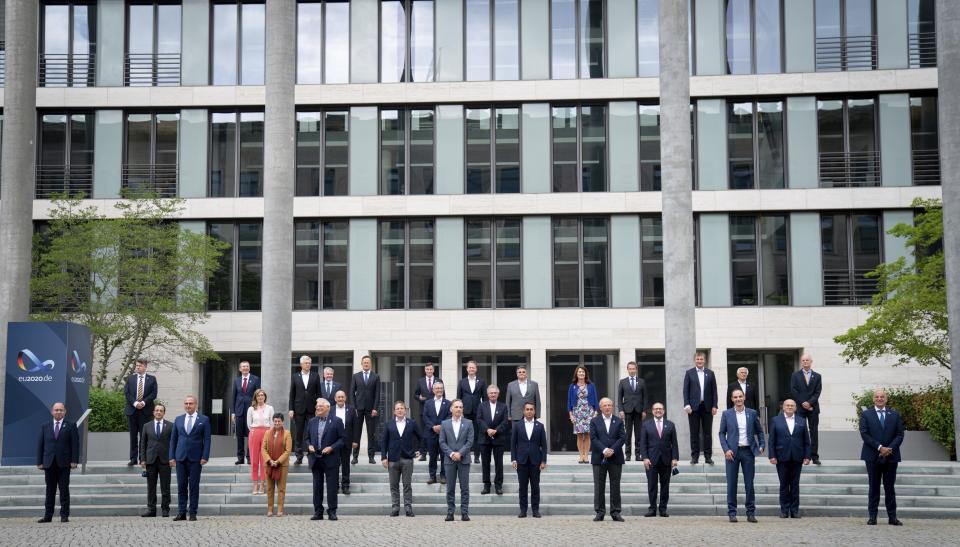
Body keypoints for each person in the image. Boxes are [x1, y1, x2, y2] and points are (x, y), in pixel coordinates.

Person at [718, 389, 765, 523]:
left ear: (744, 397)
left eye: (740, 396)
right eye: (735, 397)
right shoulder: (726, 414)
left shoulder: (752, 413)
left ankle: (750, 513)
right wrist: (726, 449)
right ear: (732, 399)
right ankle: (732, 513)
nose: (738, 399)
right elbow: (721, 433)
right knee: (731, 484)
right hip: (732, 453)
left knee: (749, 484)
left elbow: (760, 431)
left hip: (748, 452)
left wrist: (761, 445)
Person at [860, 388, 905, 526]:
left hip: (891, 456)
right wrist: (880, 447)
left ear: (886, 399)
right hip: (872, 456)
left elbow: (900, 434)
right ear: (873, 399)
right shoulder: (866, 414)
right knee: (873, 487)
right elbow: (864, 434)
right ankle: (872, 517)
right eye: (877, 397)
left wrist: (889, 448)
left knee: (889, 487)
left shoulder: (895, 414)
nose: (879, 399)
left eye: (882, 397)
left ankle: (892, 517)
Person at [169, 395, 211, 521]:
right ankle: (181, 512)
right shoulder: (178, 419)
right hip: (180, 457)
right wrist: (171, 456)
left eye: (190, 403)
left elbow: (207, 439)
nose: (188, 405)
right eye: (186, 403)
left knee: (193, 486)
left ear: (196, 405)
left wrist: (205, 456)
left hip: (196, 458)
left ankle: (193, 512)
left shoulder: (204, 419)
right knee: (181, 486)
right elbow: (173, 440)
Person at [36, 402, 79, 523]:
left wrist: (74, 460)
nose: (59, 412)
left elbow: (75, 445)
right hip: (49, 463)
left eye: (61, 410)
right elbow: (40, 444)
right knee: (50, 490)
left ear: (65, 412)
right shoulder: (45, 426)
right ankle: (48, 515)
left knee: (64, 490)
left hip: (64, 463)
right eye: (56, 410)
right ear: (52, 412)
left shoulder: (71, 426)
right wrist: (39, 461)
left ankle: (64, 515)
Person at [767, 399, 811, 518]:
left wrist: (807, 456)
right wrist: (772, 455)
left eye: (792, 405)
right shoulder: (775, 420)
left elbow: (806, 441)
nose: (790, 407)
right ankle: (784, 510)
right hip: (781, 457)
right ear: (783, 407)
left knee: (795, 484)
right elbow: (771, 440)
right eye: (788, 405)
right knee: (784, 484)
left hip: (797, 456)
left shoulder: (802, 420)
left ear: (795, 408)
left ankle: (795, 510)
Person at [382, 400, 422, 517]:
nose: (400, 410)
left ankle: (408, 508)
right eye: (397, 408)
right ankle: (395, 508)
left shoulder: (412, 423)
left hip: (407, 458)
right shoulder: (388, 424)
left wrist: (419, 450)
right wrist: (384, 457)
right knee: (393, 485)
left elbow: (421, 438)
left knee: (407, 485)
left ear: (406, 410)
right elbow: (384, 442)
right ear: (394, 411)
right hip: (393, 459)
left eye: (402, 408)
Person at [307, 398, 345, 521]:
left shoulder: (337, 421)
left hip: (330, 458)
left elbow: (342, 439)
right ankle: (318, 511)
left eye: (321, 406)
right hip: (315, 458)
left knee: (332, 486)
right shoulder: (312, 421)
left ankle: (332, 511)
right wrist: (309, 446)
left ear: (328, 407)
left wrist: (331, 448)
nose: (318, 408)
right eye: (317, 406)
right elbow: (306, 438)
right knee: (317, 487)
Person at [639, 402, 679, 517]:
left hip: (666, 460)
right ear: (652, 411)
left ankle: (663, 509)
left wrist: (675, 458)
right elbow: (643, 443)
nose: (658, 411)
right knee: (652, 485)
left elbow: (674, 443)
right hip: (651, 460)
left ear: (664, 411)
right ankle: (652, 509)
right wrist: (645, 458)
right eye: (656, 409)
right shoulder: (646, 425)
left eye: (660, 409)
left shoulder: (670, 425)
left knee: (665, 485)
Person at [589, 398, 625, 522]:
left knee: (615, 485)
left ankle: (615, 512)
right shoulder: (594, 421)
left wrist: (612, 450)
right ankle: (600, 512)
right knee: (599, 486)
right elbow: (593, 438)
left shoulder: (618, 421)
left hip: (615, 458)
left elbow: (622, 438)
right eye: (605, 405)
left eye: (610, 405)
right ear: (600, 407)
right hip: (599, 458)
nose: (608, 407)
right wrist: (604, 450)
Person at [511, 402, 548, 518]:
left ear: (534, 411)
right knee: (522, 487)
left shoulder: (540, 426)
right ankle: (523, 510)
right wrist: (513, 459)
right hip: (521, 460)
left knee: (535, 486)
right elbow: (513, 444)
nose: (529, 411)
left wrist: (543, 461)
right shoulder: (517, 425)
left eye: (531, 409)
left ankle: (535, 510)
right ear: (523, 411)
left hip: (535, 461)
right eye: (527, 409)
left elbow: (544, 445)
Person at [439, 399, 473, 521]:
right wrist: (452, 453)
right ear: (451, 409)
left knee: (465, 488)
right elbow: (442, 442)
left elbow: (470, 442)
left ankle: (464, 512)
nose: (459, 409)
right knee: (450, 488)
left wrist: (460, 453)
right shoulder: (445, 424)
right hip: (450, 460)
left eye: (461, 407)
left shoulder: (469, 423)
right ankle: (450, 512)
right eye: (456, 407)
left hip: (464, 460)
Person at [682, 351, 718, 465]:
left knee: (707, 433)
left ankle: (708, 457)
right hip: (693, 408)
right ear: (695, 360)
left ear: (705, 360)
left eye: (701, 359)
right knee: (694, 433)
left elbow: (714, 391)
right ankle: (695, 457)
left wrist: (715, 405)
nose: (699, 361)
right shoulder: (689, 373)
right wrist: (686, 405)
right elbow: (685, 390)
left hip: (707, 407)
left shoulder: (710, 373)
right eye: (697, 359)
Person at [139, 403, 173, 518]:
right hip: (151, 461)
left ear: (164, 413)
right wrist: (142, 459)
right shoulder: (147, 426)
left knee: (165, 487)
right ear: (153, 412)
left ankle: (165, 509)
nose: (158, 412)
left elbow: (173, 444)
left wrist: (172, 458)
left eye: (161, 411)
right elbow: (142, 443)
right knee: (151, 487)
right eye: (157, 410)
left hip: (165, 460)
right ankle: (151, 509)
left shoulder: (170, 426)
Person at [124, 358, 157, 466]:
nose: (138, 367)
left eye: (140, 365)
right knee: (133, 436)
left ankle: (143, 458)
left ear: (145, 366)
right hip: (132, 411)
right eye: (137, 365)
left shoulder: (152, 379)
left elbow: (153, 394)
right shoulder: (130, 378)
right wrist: (135, 403)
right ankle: (133, 459)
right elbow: (127, 393)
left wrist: (143, 403)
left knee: (144, 436)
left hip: (145, 411)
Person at [790, 354, 822, 465]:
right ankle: (802, 456)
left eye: (807, 360)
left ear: (811, 361)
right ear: (801, 362)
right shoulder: (795, 375)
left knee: (814, 433)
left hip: (813, 408)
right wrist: (803, 402)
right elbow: (793, 390)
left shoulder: (817, 376)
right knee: (799, 432)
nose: (805, 362)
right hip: (800, 408)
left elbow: (818, 392)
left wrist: (809, 402)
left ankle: (814, 457)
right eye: (803, 360)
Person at [477, 384, 509, 495]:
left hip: (498, 438)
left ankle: (498, 485)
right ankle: (486, 485)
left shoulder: (503, 406)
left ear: (498, 394)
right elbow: (479, 420)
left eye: (495, 393)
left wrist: (496, 430)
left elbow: (505, 422)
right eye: (491, 393)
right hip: (484, 439)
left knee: (499, 463)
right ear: (488, 394)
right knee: (485, 463)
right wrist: (487, 430)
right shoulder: (481, 406)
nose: (493, 395)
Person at [288, 355, 320, 465]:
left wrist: (318, 408)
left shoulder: (315, 376)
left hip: (312, 409)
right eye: (306, 363)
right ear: (301, 364)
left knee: (312, 433)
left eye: (309, 363)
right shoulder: (295, 376)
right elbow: (292, 394)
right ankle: (299, 456)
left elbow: (319, 394)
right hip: (298, 409)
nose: (308, 365)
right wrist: (291, 409)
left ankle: (312, 455)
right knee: (299, 433)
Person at [350, 355, 380, 464]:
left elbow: (377, 394)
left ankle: (371, 457)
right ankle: (355, 456)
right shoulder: (356, 376)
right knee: (356, 433)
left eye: (368, 362)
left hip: (371, 409)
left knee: (371, 433)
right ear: (361, 364)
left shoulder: (375, 376)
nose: (366, 364)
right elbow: (352, 392)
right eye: (364, 362)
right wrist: (354, 407)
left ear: (370, 364)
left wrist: (375, 408)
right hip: (358, 409)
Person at [262, 413, 292, 517]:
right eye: (275, 421)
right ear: (273, 422)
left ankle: (280, 509)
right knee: (270, 488)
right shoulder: (267, 433)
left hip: (282, 465)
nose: (277, 423)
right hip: (269, 464)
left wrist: (278, 461)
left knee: (281, 488)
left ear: (282, 422)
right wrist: (269, 461)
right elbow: (263, 449)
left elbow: (288, 451)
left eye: (279, 421)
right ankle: (270, 509)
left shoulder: (287, 434)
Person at [457, 360, 487, 463]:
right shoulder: (462, 382)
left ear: (476, 369)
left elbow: (484, 398)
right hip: (465, 412)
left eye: (473, 367)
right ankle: (465, 455)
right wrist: (459, 411)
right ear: (467, 369)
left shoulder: (481, 381)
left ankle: (477, 456)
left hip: (478, 412)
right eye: (470, 367)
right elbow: (459, 398)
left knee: (477, 434)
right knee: (465, 434)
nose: (471, 369)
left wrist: (484, 411)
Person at [231, 360, 260, 465]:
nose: (245, 368)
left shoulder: (255, 379)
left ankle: (250, 457)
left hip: (251, 411)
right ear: (240, 369)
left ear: (249, 368)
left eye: (247, 366)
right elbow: (233, 397)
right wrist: (233, 412)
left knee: (250, 435)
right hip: (239, 412)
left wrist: (257, 409)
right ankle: (240, 458)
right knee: (239, 435)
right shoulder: (236, 381)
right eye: (243, 366)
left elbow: (258, 395)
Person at [568, 365, 599, 464]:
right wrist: (571, 415)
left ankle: (586, 455)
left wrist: (596, 412)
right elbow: (569, 401)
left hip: (589, 411)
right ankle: (581, 455)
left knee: (588, 434)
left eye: (583, 372)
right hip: (577, 412)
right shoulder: (572, 386)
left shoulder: (591, 385)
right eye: (579, 372)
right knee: (580, 435)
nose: (581, 373)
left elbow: (595, 399)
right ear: (576, 374)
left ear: (585, 374)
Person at [616, 361, 647, 461]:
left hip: (638, 410)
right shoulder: (623, 382)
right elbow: (619, 398)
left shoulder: (641, 381)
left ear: (636, 369)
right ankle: (628, 455)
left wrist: (644, 410)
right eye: (630, 369)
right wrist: (620, 410)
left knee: (639, 434)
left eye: (634, 369)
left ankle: (638, 455)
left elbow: (645, 397)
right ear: (628, 370)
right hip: (627, 410)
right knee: (628, 433)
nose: (632, 370)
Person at [413, 362, 443, 460]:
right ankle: (424, 454)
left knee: (437, 432)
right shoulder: (420, 381)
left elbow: (443, 395)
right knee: (424, 433)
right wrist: (419, 398)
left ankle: (437, 454)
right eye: (427, 369)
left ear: (433, 370)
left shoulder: (439, 380)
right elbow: (415, 394)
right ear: (425, 370)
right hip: (424, 411)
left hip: (437, 412)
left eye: (431, 369)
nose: (429, 371)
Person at [422, 380, 450, 485]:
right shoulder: (428, 403)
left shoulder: (448, 403)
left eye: (441, 388)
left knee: (444, 456)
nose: (439, 390)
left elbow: (449, 416)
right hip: (431, 433)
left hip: (444, 434)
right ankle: (432, 476)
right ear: (433, 390)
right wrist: (433, 427)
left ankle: (443, 476)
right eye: (437, 388)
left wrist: (441, 426)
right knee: (432, 456)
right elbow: (425, 417)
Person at [246, 389, 273, 495]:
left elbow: (271, 423)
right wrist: (254, 431)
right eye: (258, 396)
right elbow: (249, 424)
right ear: (255, 397)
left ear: (265, 397)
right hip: (254, 433)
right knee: (254, 460)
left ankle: (262, 483)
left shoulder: (270, 408)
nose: (260, 397)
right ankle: (255, 484)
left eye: (262, 395)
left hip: (266, 432)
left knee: (264, 460)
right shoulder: (251, 409)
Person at [332, 390, 358, 494]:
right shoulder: (331, 409)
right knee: (334, 464)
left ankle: (345, 485)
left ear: (345, 398)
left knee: (346, 464)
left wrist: (355, 440)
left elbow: (356, 426)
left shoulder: (351, 409)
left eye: (342, 397)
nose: (340, 399)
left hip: (347, 441)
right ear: (335, 399)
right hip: (333, 442)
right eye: (338, 397)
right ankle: (334, 485)